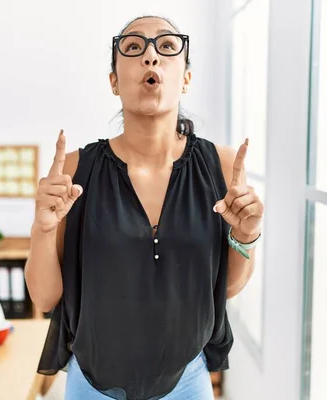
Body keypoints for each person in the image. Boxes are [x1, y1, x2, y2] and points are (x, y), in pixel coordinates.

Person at [26, 15, 264, 400]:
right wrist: (43, 227)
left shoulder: (220, 165)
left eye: (167, 47)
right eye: (134, 48)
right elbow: (45, 297)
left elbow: (228, 288)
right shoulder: (73, 171)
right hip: (92, 385)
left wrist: (246, 235)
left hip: (187, 381)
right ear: (114, 81)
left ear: (185, 78)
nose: (151, 57)